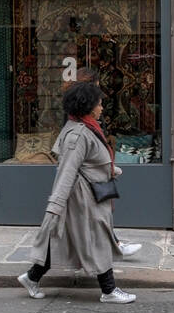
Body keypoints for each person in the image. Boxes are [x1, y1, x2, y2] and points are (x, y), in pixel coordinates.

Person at [18, 81, 135, 303]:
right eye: (99, 104)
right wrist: (55, 205)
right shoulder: (78, 134)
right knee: (99, 236)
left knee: (66, 239)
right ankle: (109, 290)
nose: (102, 108)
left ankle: (32, 277)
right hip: (83, 197)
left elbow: (89, 162)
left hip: (90, 192)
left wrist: (110, 169)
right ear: (89, 106)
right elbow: (67, 170)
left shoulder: (86, 127)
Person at [60, 67, 140, 258]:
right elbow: (75, 156)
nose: (101, 101)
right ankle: (111, 256)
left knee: (92, 217)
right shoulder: (79, 122)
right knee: (91, 216)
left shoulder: (87, 117)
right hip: (83, 182)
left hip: (85, 179)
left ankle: (112, 248)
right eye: (96, 87)